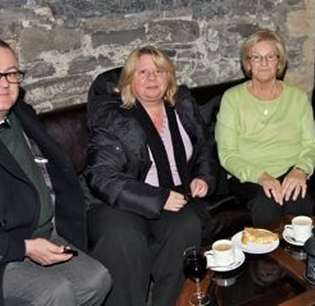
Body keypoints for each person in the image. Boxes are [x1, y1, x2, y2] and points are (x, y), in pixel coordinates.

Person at [0, 36, 111, 306]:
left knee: (97, 279)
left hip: (36, 232)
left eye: (12, 74)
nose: (4, 83)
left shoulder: (15, 111)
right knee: (54, 292)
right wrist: (23, 248)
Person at [84, 46, 219, 306]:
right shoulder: (113, 117)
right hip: (119, 201)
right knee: (123, 239)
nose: (151, 78)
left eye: (159, 71)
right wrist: (157, 198)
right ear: (128, 81)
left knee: (187, 226)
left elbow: (204, 146)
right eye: (142, 72)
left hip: (174, 195)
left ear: (169, 77)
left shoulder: (183, 107)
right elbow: (100, 175)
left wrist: (203, 176)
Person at [215, 29, 315, 228]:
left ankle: (295, 258)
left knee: (299, 202)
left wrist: (301, 170)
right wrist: (261, 176)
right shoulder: (232, 98)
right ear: (248, 63)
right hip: (249, 175)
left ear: (279, 62)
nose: (264, 63)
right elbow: (227, 154)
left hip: (291, 170)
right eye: (257, 57)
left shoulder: (297, 97)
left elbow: (312, 145)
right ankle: (268, 258)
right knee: (266, 204)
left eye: (270, 57)